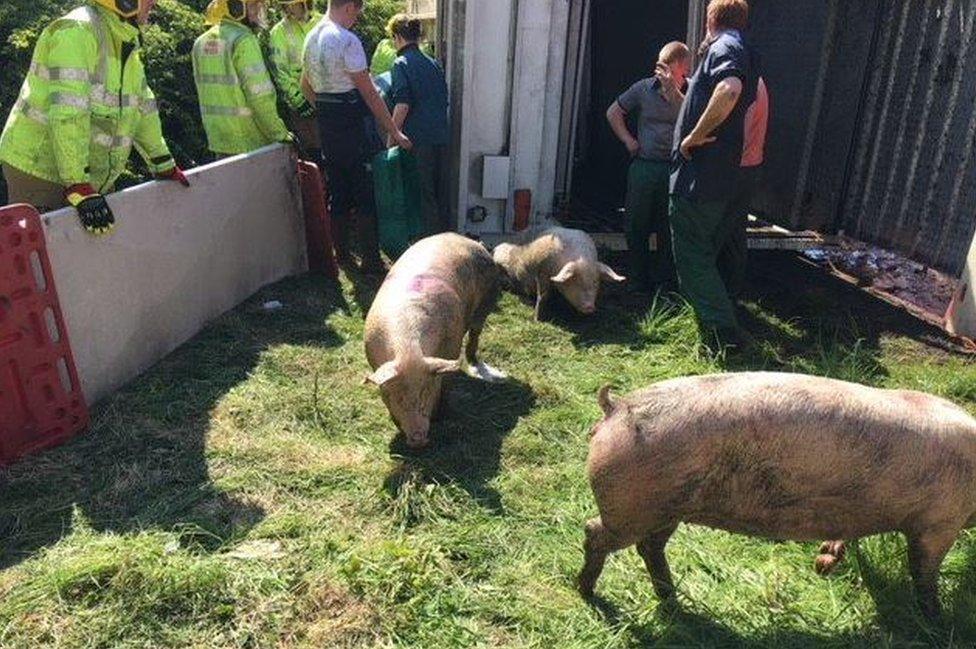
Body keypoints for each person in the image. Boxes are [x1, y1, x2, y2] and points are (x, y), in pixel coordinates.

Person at [0, 0, 188, 233]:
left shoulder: (124, 37)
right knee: (44, 257)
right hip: (40, 168)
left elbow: (142, 106)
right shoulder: (78, 31)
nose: (155, 3)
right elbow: (69, 112)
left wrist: (162, 163)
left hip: (80, 174)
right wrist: (77, 183)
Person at [301, 0, 411, 273]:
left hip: (328, 125)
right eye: (357, 14)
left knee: (338, 190)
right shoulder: (347, 41)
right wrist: (394, 130)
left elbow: (305, 86)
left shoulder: (311, 38)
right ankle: (371, 260)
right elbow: (369, 93)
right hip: (352, 125)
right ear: (349, 6)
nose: (356, 20)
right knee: (364, 192)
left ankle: (342, 256)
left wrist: (326, 111)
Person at [668, 0, 756, 345]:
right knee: (704, 253)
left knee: (692, 257)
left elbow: (729, 88)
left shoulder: (725, 46)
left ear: (710, 19)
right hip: (718, 177)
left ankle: (724, 334)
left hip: (699, 179)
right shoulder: (744, 48)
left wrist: (694, 135)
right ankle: (714, 324)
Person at [606, 41, 690, 293]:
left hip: (675, 167)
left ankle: (664, 279)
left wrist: (673, 91)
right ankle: (637, 277)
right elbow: (613, 112)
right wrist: (628, 140)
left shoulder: (692, 89)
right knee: (636, 223)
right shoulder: (643, 88)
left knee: (669, 225)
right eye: (663, 67)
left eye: (676, 69)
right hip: (645, 164)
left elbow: (692, 116)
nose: (669, 73)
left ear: (682, 67)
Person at [193, 0, 292, 157]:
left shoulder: (200, 43)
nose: (257, 11)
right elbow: (260, 97)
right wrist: (280, 135)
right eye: (253, 5)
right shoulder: (243, 40)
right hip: (251, 143)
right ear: (235, 7)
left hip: (219, 142)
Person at [387, 14, 450, 235]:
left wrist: (392, 134)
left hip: (417, 140)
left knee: (423, 195)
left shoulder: (400, 63)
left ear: (396, 37)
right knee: (439, 193)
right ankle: (445, 242)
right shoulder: (433, 63)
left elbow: (402, 103)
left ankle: (427, 247)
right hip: (441, 136)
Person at [719, 72, 769, 298]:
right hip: (749, 166)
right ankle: (732, 290)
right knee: (735, 229)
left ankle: (722, 293)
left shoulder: (741, 86)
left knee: (720, 230)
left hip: (734, 168)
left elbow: (737, 134)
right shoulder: (757, 82)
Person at [269, 0, 322, 160]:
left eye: (294, 4)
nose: (290, 9)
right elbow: (279, 71)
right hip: (303, 103)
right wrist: (298, 100)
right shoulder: (279, 31)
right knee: (313, 151)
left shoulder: (321, 22)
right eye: (287, 5)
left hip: (328, 94)